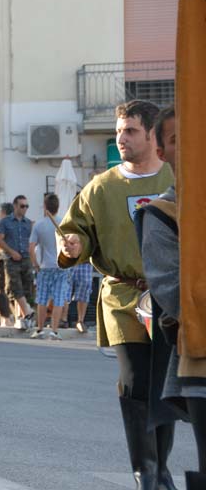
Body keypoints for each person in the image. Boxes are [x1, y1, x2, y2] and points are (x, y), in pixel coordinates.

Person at [58, 100, 175, 489]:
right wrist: (73, 244)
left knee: (164, 384)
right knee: (134, 378)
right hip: (123, 296)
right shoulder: (102, 186)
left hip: (169, 295)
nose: (121, 138)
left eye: (130, 131)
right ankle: (144, 470)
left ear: (152, 135)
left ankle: (161, 469)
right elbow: (74, 229)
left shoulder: (178, 177)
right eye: (119, 130)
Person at [136, 107, 206, 489]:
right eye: (178, 139)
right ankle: (149, 470)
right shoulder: (160, 216)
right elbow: (177, 295)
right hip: (200, 360)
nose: (192, 145)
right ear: (162, 151)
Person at [28, 193, 70, 341]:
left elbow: (31, 247)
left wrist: (35, 264)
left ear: (45, 206)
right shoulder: (63, 223)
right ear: (58, 207)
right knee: (58, 299)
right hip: (61, 266)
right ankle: (54, 330)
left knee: (42, 299)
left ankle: (39, 329)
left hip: (45, 266)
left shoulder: (39, 225)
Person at [0, 195, 34, 330]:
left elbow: (32, 242)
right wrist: (11, 252)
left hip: (25, 259)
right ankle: (27, 313)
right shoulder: (5, 222)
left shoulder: (28, 223)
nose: (25, 209)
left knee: (27, 289)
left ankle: (23, 317)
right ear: (15, 206)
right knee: (14, 287)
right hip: (11, 259)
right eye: (22, 206)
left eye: (26, 206)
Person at [68, 263, 94, 333]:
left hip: (85, 262)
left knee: (84, 288)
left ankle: (80, 321)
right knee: (64, 290)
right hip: (68, 261)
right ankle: (62, 320)